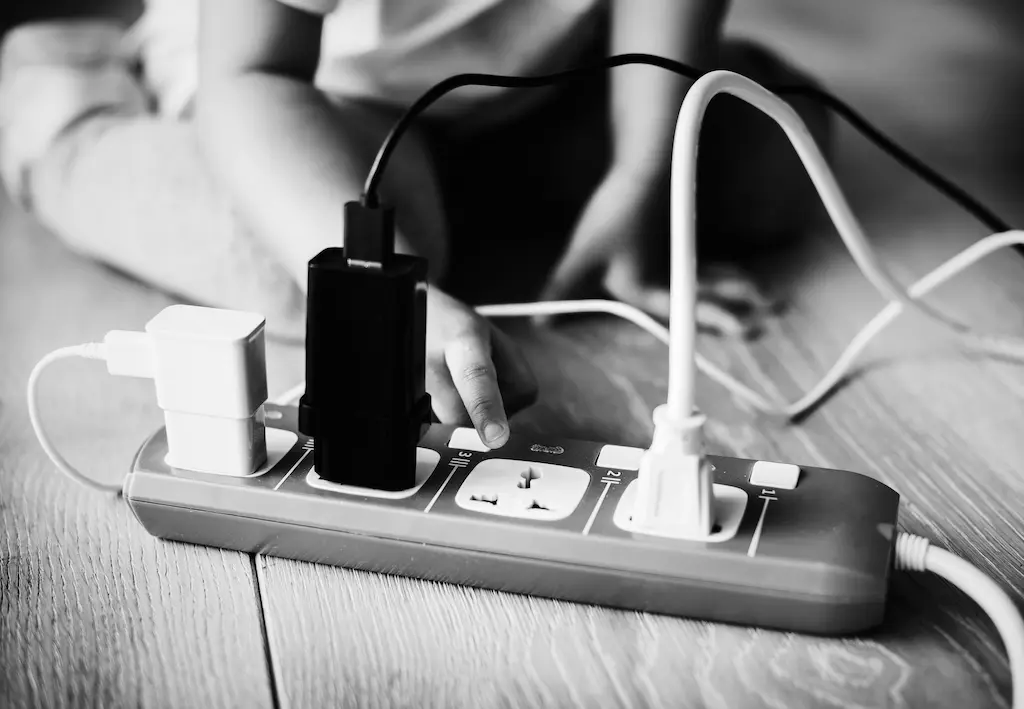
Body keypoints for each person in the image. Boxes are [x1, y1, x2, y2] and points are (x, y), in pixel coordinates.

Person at [0, 0, 829, 449]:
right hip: (295, 84)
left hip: (523, 77)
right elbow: (252, 75)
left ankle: (448, 197)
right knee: (294, 275)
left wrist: (641, 175)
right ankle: (65, 107)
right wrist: (389, 281)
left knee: (773, 158)